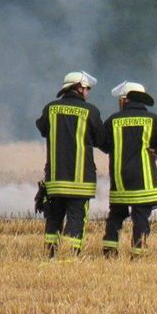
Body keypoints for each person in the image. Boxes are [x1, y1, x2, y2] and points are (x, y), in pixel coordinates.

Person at [101, 82, 157, 258]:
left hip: (120, 180)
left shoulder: (113, 121)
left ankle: (109, 253)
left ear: (125, 100)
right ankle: (137, 255)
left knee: (115, 217)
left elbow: (103, 143)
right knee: (141, 220)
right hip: (144, 182)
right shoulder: (154, 120)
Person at [35, 71, 106, 258]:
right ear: (79, 87)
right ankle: (70, 256)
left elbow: (42, 128)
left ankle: (51, 255)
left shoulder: (50, 109)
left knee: (53, 218)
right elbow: (101, 139)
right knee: (76, 219)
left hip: (55, 179)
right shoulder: (91, 111)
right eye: (87, 88)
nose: (88, 92)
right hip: (80, 181)